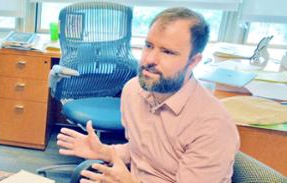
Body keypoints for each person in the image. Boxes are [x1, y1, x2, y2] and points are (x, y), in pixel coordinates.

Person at [57, 7, 239, 183]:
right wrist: (106, 152)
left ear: (193, 61)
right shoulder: (134, 90)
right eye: (148, 46)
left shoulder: (213, 125)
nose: (150, 59)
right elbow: (141, 153)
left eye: (167, 52)